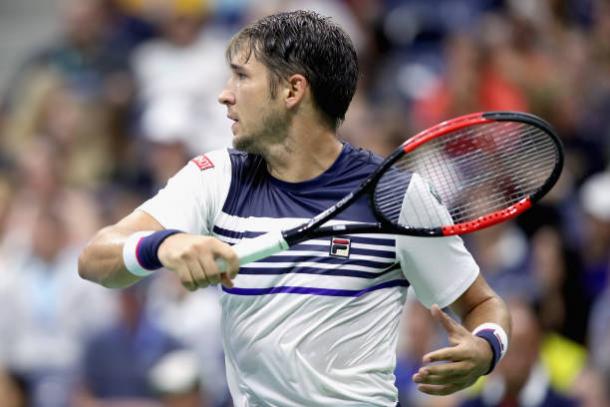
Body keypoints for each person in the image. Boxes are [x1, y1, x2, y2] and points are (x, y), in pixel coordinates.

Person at [79, 10, 511, 406]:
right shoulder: (216, 179)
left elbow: (483, 304)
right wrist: (163, 246)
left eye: (241, 78)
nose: (224, 96)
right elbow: (95, 258)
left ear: (292, 90)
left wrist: (487, 347)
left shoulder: (395, 197)